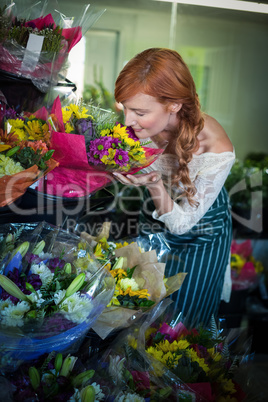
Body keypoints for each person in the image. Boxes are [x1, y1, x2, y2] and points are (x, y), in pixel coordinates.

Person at [113, 48, 235, 326]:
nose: (127, 121)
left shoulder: (215, 149)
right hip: (156, 216)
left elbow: (182, 224)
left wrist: (155, 185)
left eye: (139, 112)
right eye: (125, 107)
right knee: (141, 304)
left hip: (200, 230)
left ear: (174, 106)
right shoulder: (142, 125)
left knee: (181, 321)